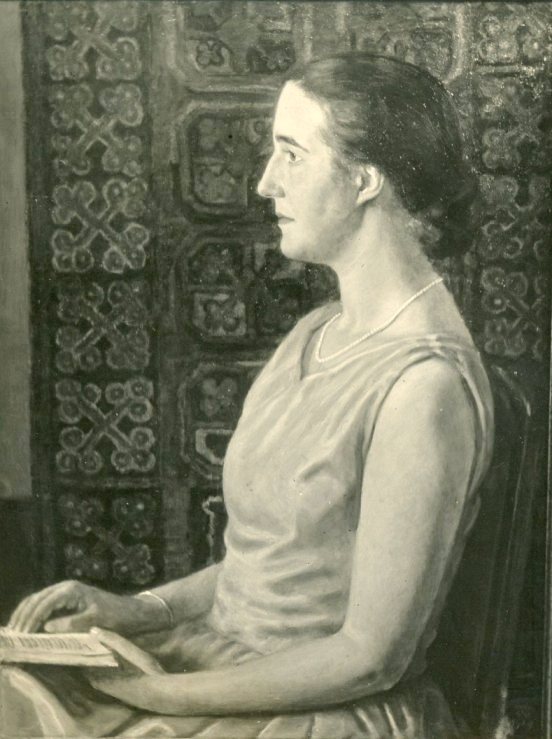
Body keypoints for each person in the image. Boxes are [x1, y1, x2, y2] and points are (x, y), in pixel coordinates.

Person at [1, 53, 493, 738]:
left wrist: (160, 695)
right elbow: (270, 564)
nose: (265, 182)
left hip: (316, 710)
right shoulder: (317, 332)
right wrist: (137, 610)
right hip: (218, 660)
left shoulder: (424, 388)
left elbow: (369, 657)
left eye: (292, 154)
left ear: (364, 180)